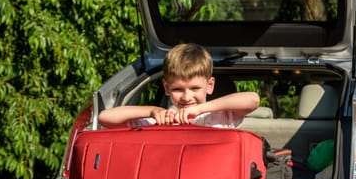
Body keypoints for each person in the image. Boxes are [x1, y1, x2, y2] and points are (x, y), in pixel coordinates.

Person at [98, 43, 260, 128]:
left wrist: (199, 109)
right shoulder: (158, 121)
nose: (186, 97)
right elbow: (104, 118)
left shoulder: (221, 117)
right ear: (167, 88)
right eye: (177, 89)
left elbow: (253, 100)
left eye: (195, 88)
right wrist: (153, 111)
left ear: (210, 86)